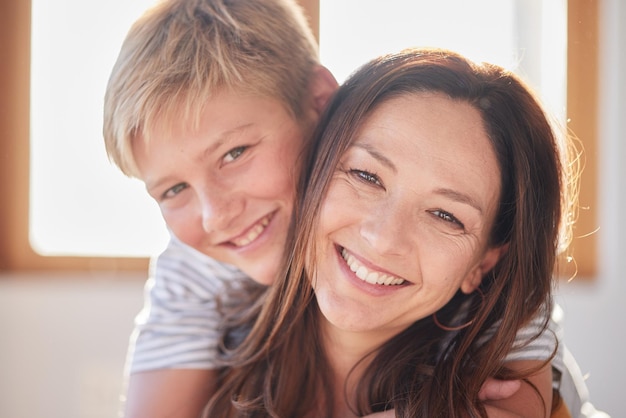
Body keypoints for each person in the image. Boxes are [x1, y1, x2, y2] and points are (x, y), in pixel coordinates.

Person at [102, 1, 599, 417]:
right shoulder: (198, 267)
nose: (216, 215)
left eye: (235, 154)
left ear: (320, 103)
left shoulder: (495, 301)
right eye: (365, 177)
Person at [204, 47, 579, 417]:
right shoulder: (208, 343)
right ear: (313, 167)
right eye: (366, 176)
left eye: (445, 215)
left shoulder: (523, 394)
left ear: (482, 263)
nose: (383, 238)